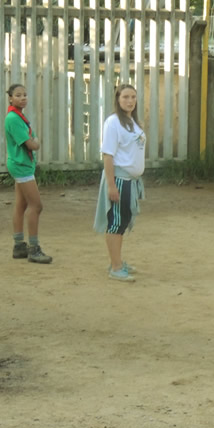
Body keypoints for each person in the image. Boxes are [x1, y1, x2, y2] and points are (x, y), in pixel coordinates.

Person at [95, 83, 146, 282]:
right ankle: (116, 268)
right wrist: (111, 185)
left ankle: (117, 262)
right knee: (116, 223)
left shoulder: (133, 122)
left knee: (122, 221)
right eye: (125, 97)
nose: (130, 101)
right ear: (117, 99)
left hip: (130, 181)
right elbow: (108, 155)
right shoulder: (113, 122)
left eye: (133, 97)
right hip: (119, 180)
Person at [5, 83, 52, 264]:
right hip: (21, 165)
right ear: (10, 98)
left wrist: (34, 141)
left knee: (21, 205)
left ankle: (19, 246)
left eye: (24, 94)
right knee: (36, 206)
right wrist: (36, 142)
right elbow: (31, 144)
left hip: (21, 164)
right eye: (18, 95)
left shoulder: (18, 116)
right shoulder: (13, 118)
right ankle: (33, 248)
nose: (22, 98)